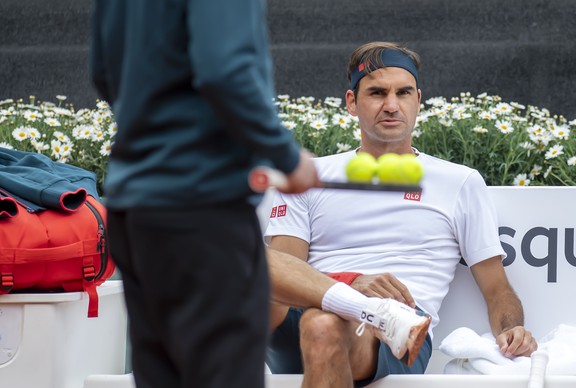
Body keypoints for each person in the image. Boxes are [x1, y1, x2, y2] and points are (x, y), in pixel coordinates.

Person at [263, 41, 538, 388]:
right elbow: (281, 275)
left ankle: (364, 311)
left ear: (418, 101)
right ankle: (356, 304)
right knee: (246, 254)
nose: (391, 106)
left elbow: (497, 288)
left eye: (403, 93)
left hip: (398, 334)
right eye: (377, 93)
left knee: (324, 326)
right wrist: (351, 283)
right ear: (352, 102)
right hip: (306, 314)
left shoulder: (460, 182)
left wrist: (512, 330)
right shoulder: (308, 176)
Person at [89, 1, 319, 388]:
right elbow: (225, 71)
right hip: (203, 209)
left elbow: (103, 72)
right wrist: (285, 156)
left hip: (134, 210)